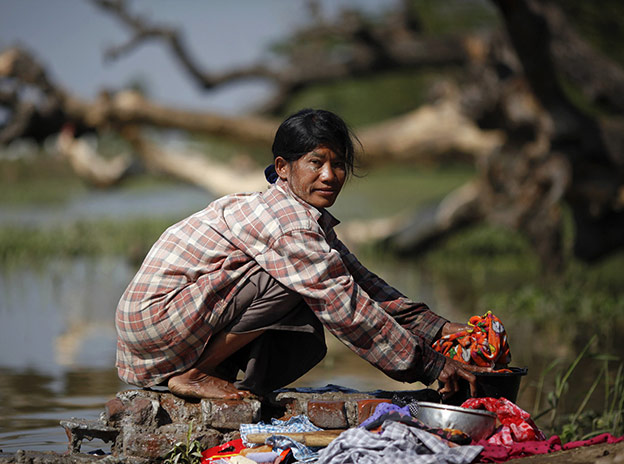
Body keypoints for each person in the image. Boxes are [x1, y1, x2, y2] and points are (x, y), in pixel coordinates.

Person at [115, 108, 489, 400]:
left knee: (314, 295)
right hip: (157, 319)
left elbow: (361, 281)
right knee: (298, 286)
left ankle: (213, 372)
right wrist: (430, 365)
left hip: (161, 321)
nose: (329, 176)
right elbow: (347, 307)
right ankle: (196, 374)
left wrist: (437, 328)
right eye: (316, 162)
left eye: (338, 164)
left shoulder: (298, 217)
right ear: (283, 168)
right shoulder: (289, 226)